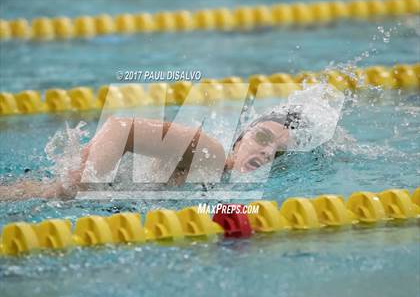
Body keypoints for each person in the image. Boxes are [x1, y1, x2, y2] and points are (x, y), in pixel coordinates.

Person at [0, 84, 343, 201]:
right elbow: (119, 128)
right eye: (263, 137)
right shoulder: (211, 152)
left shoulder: (220, 184)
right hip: (74, 188)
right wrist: (80, 186)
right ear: (241, 138)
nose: (266, 151)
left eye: (277, 151)